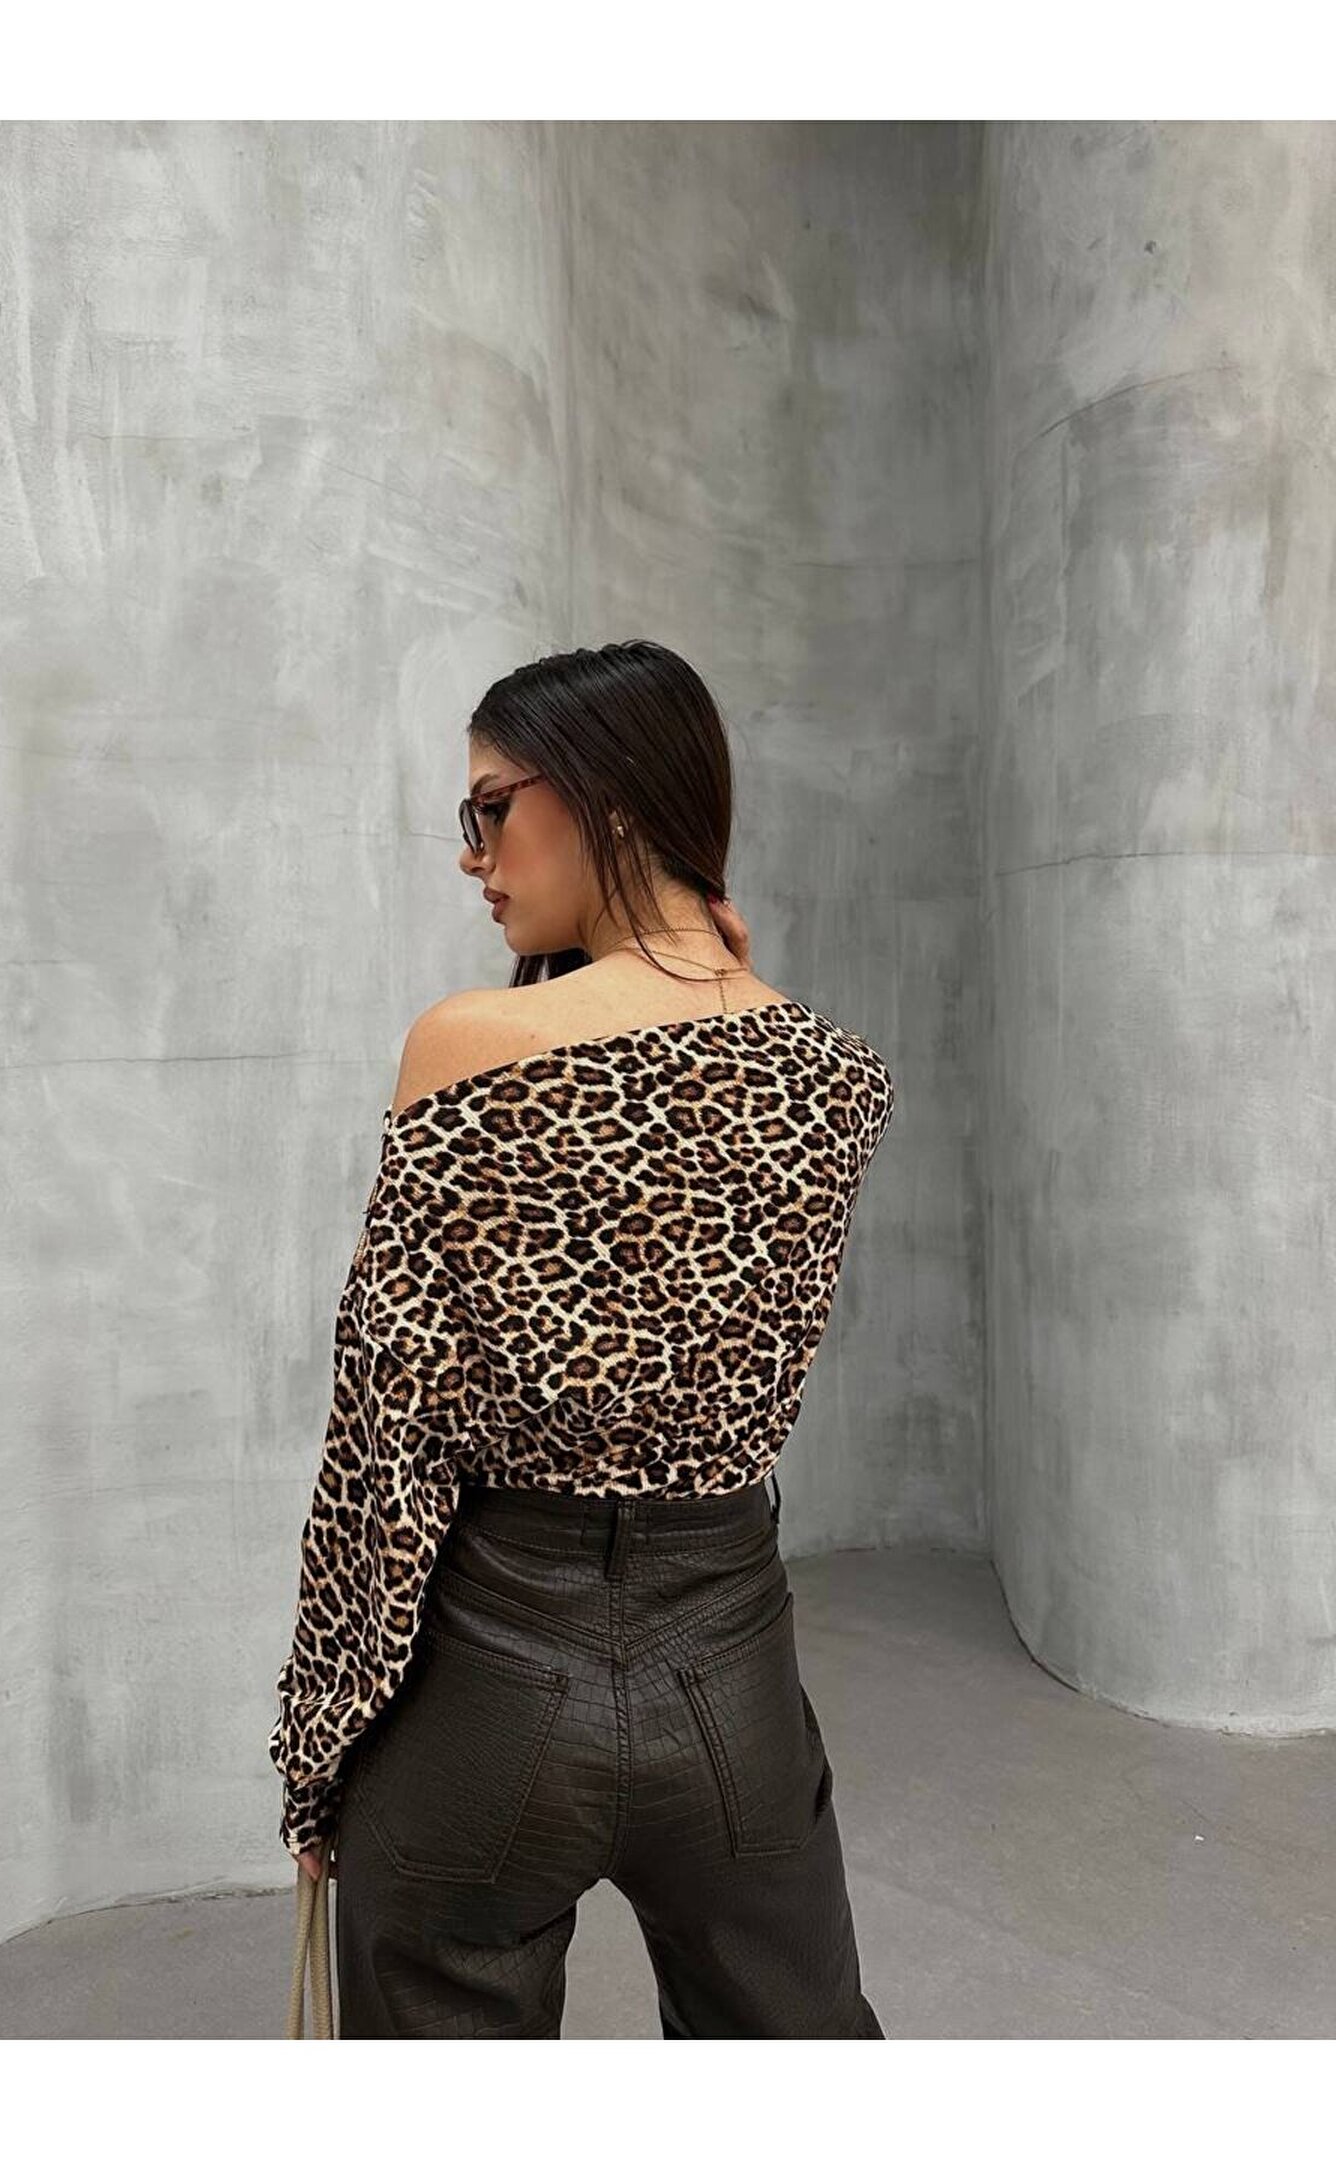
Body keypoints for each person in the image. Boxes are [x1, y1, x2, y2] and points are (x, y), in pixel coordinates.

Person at [268, 639, 896, 2038]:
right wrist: (719, 971)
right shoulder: (835, 1075)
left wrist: (320, 1749)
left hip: (493, 1676)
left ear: (607, 794)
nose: (472, 853)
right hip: (733, 1670)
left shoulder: (467, 1045)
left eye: (492, 807)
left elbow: (385, 1441)